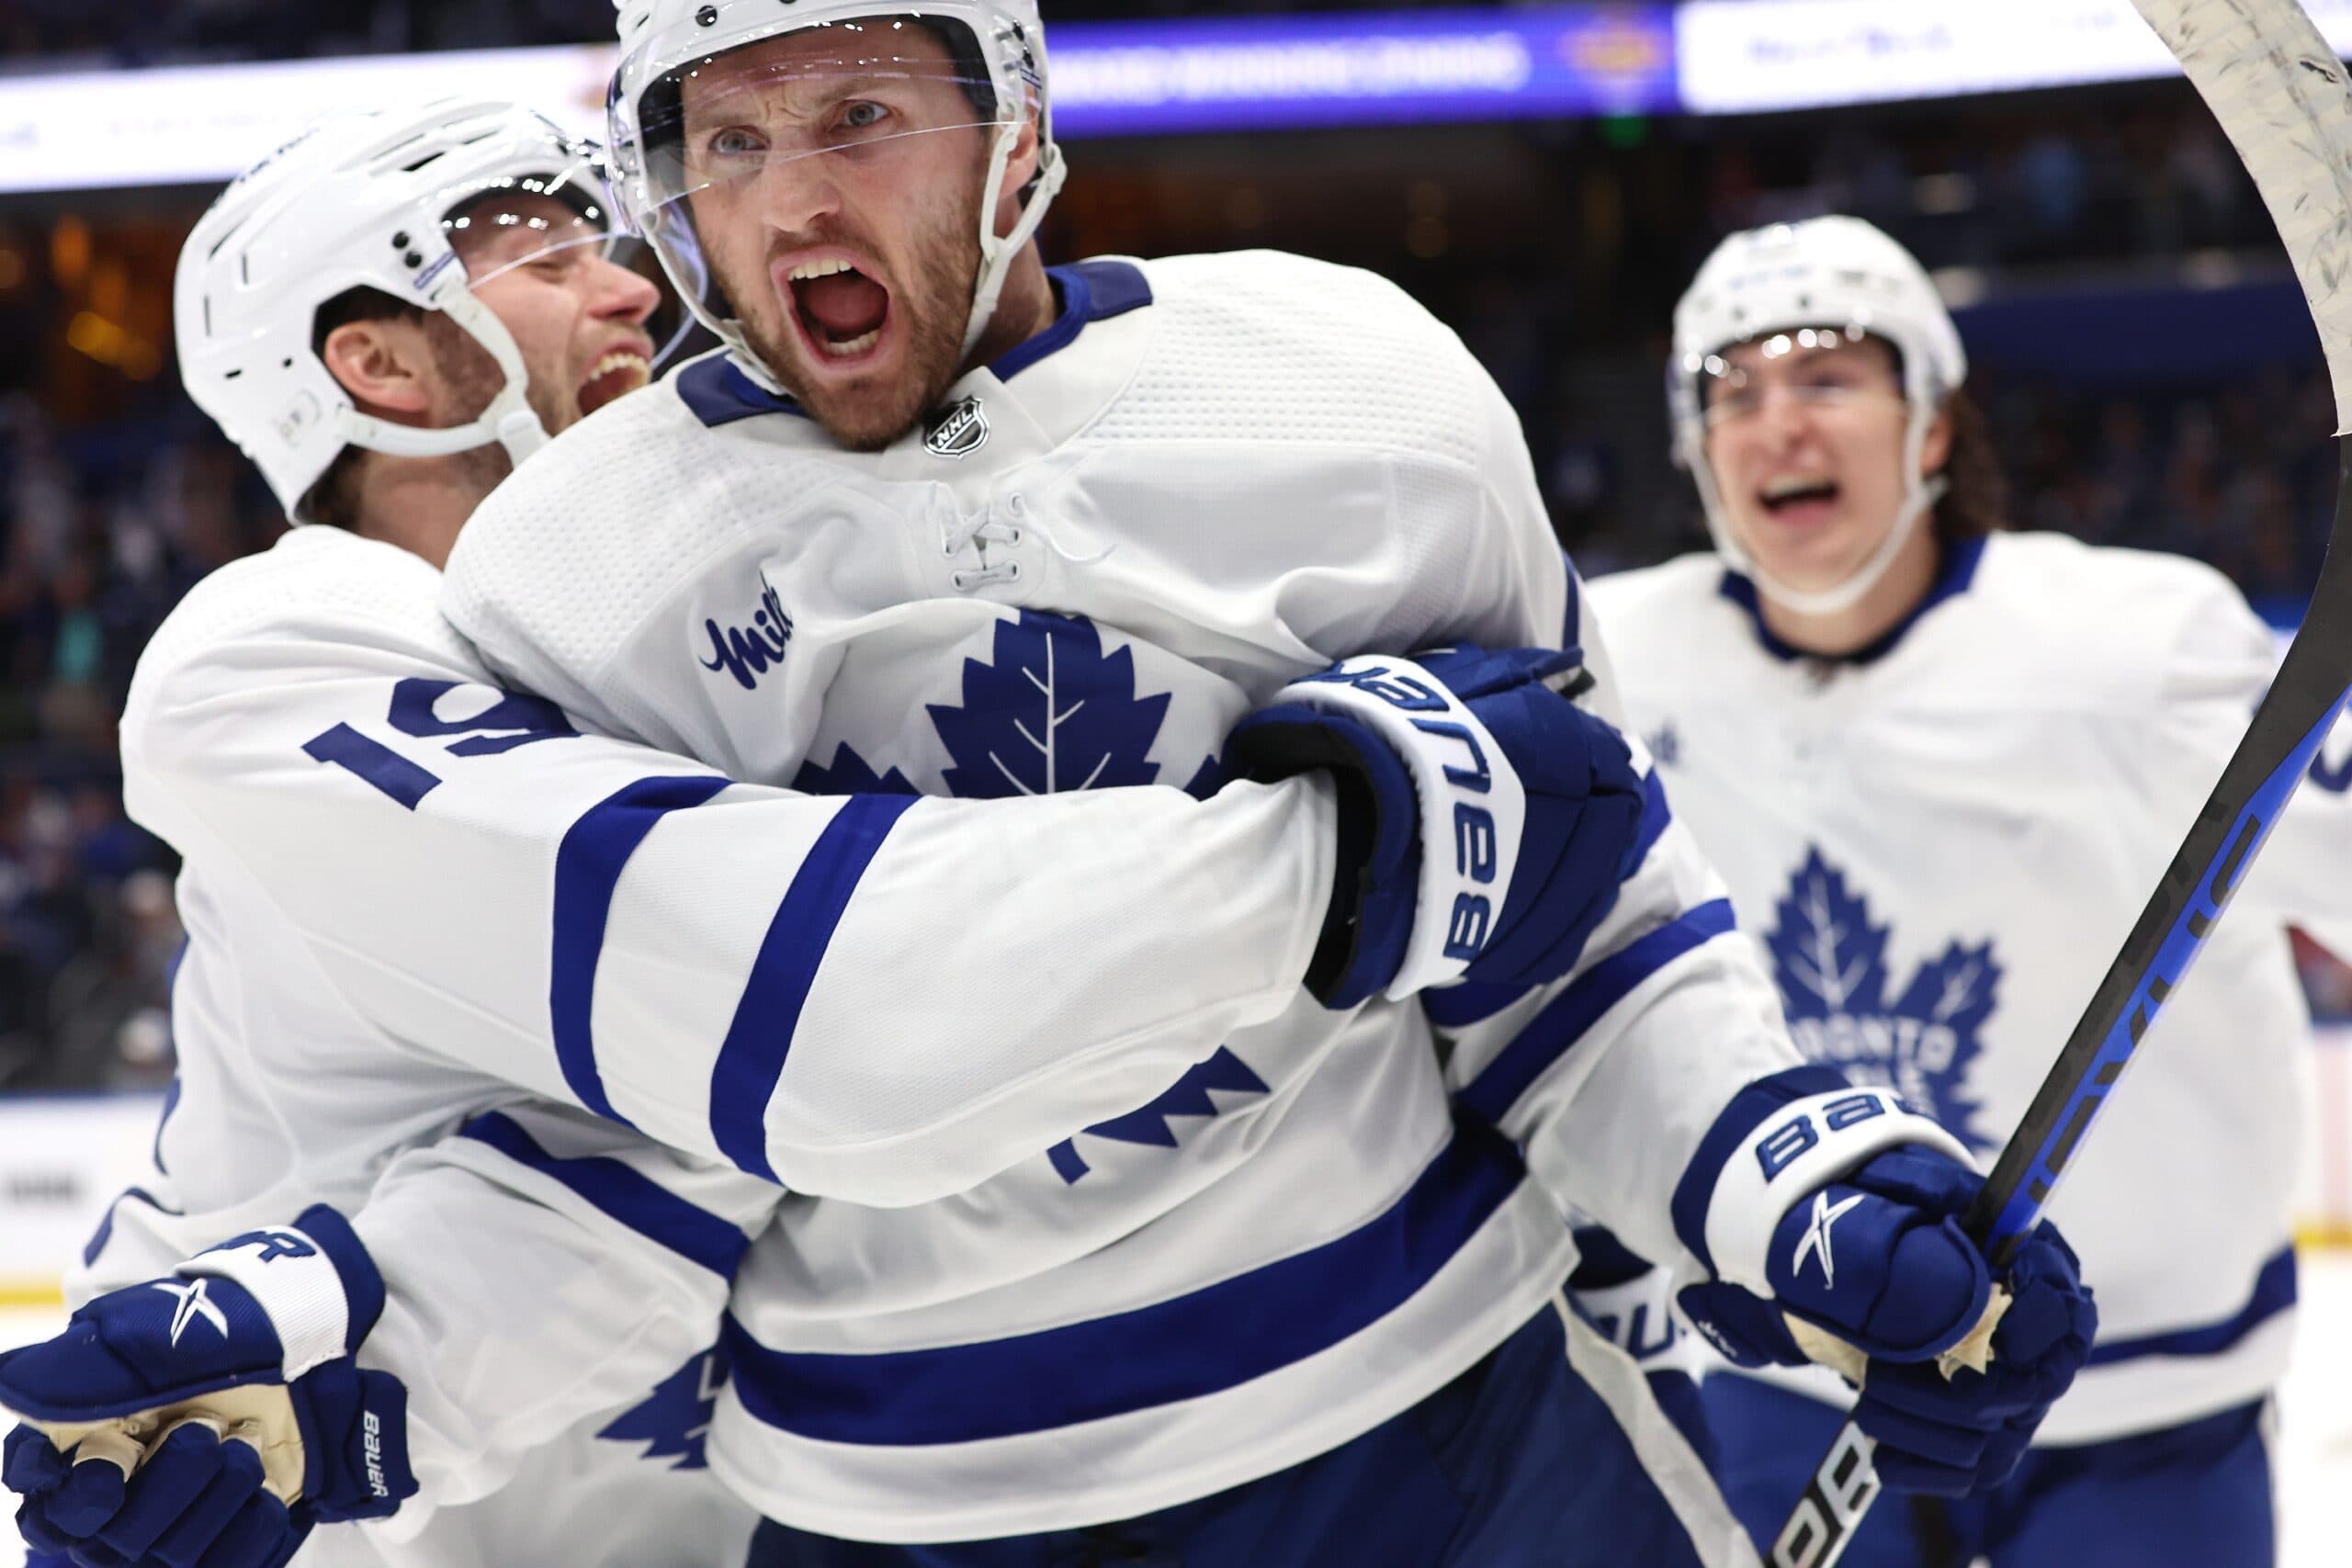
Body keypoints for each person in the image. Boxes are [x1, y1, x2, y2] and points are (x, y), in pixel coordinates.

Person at [7, 26, 2093, 1568]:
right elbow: (637, 1162)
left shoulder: (1349, 386)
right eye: (723, 140)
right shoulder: (571, 578)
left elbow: (1581, 933)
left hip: (1442, 1430)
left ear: (1014, 123)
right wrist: (370, 1377)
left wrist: (1768, 1172)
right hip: (894, 1516)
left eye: (857, 117)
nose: (786, 204)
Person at [0, 94, 1401, 1568]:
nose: (627, 289)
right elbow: (807, 1014)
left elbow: (683, 1142)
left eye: (607, 246)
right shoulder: (285, 647)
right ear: (376, 363)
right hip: (323, 1516)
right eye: (542, 263)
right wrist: (1361, 838)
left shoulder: (692, 624)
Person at [1588, 214, 2352, 1567]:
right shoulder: (1615, 661)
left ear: (1934, 425)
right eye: (1733, 389)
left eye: (1828, 377)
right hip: (1798, 1380)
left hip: (2142, 1396)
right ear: (1694, 449)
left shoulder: (2139, 652)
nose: (1780, 424)